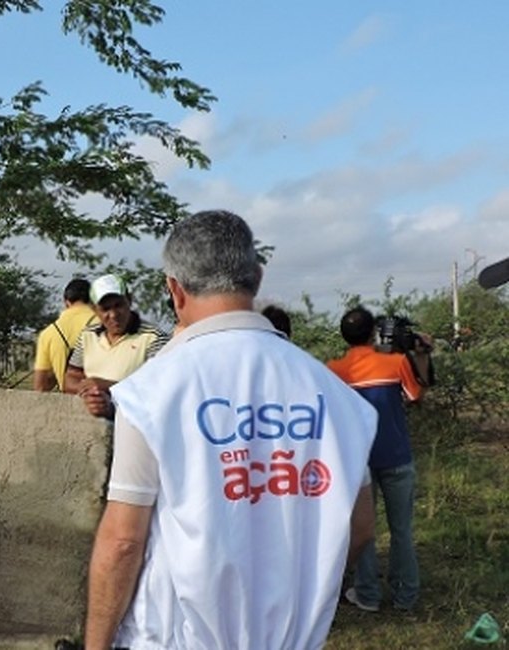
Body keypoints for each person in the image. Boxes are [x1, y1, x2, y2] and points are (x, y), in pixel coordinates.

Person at [84, 210, 379, 650]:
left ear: (174, 290)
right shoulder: (336, 398)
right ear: (257, 278)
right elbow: (359, 527)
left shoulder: (152, 391)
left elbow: (124, 541)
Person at [327, 306, 431, 613]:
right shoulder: (396, 362)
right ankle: (405, 597)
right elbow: (416, 397)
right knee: (402, 530)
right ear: (374, 332)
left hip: (358, 463)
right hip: (397, 457)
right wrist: (423, 355)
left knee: (364, 530)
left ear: (344, 336)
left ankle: (368, 595)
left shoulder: (333, 369)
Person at [63, 274, 168, 419]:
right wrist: (90, 391)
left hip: (136, 426)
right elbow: (71, 377)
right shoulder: (88, 335)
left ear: (129, 301)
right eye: (105, 309)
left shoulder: (153, 338)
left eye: (118, 305)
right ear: (95, 310)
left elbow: (160, 389)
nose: (113, 315)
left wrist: (107, 387)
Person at [33, 278, 98, 392]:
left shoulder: (49, 333)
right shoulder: (105, 324)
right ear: (93, 299)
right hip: (103, 400)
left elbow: (40, 386)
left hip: (69, 403)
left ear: (66, 302)